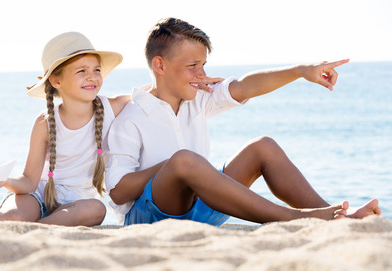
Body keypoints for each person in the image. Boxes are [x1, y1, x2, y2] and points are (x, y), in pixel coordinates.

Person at [105, 17, 381, 226]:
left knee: (263, 147)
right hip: (151, 219)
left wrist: (301, 71)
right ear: (160, 66)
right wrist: (173, 165)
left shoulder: (199, 98)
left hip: (202, 208)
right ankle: (297, 218)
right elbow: (118, 192)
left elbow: (245, 85)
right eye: (193, 66)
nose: (202, 74)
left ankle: (337, 216)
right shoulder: (131, 118)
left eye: (203, 64)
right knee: (183, 160)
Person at [0, 32, 129, 226]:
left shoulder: (112, 107)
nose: (92, 77)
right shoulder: (45, 122)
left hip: (76, 204)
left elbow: (152, 93)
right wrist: (4, 181)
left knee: (97, 209)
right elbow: (29, 181)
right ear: (56, 81)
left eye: (96, 69)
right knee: (16, 217)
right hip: (36, 196)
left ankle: (38, 226)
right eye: (81, 71)